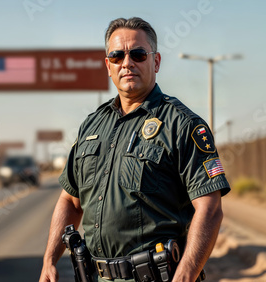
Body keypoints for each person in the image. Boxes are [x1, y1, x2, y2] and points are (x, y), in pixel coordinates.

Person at [40, 17, 230, 282]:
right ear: (108, 65)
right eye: (117, 56)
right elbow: (70, 200)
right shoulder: (92, 125)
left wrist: (186, 274)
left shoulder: (182, 124)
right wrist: (49, 260)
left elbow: (210, 208)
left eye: (138, 54)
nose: (127, 63)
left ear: (156, 61)